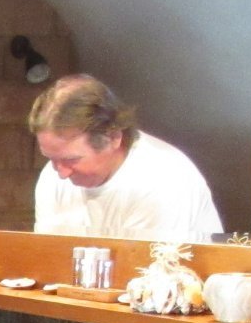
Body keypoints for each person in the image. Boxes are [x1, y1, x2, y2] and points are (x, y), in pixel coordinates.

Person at [28, 75, 223, 241]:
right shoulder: (51, 177)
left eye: (71, 160)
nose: (60, 173)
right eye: (51, 158)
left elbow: (149, 274)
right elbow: (49, 256)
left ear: (113, 138)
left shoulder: (163, 179)